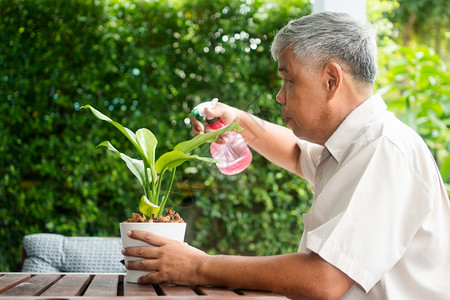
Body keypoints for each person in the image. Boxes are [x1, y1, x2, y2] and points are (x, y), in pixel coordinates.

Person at [122, 12, 450, 299]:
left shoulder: (383, 150)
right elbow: (295, 154)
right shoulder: (353, 145)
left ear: (331, 79)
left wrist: (200, 266)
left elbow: (324, 279)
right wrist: (235, 120)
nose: (280, 96)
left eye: (288, 79)